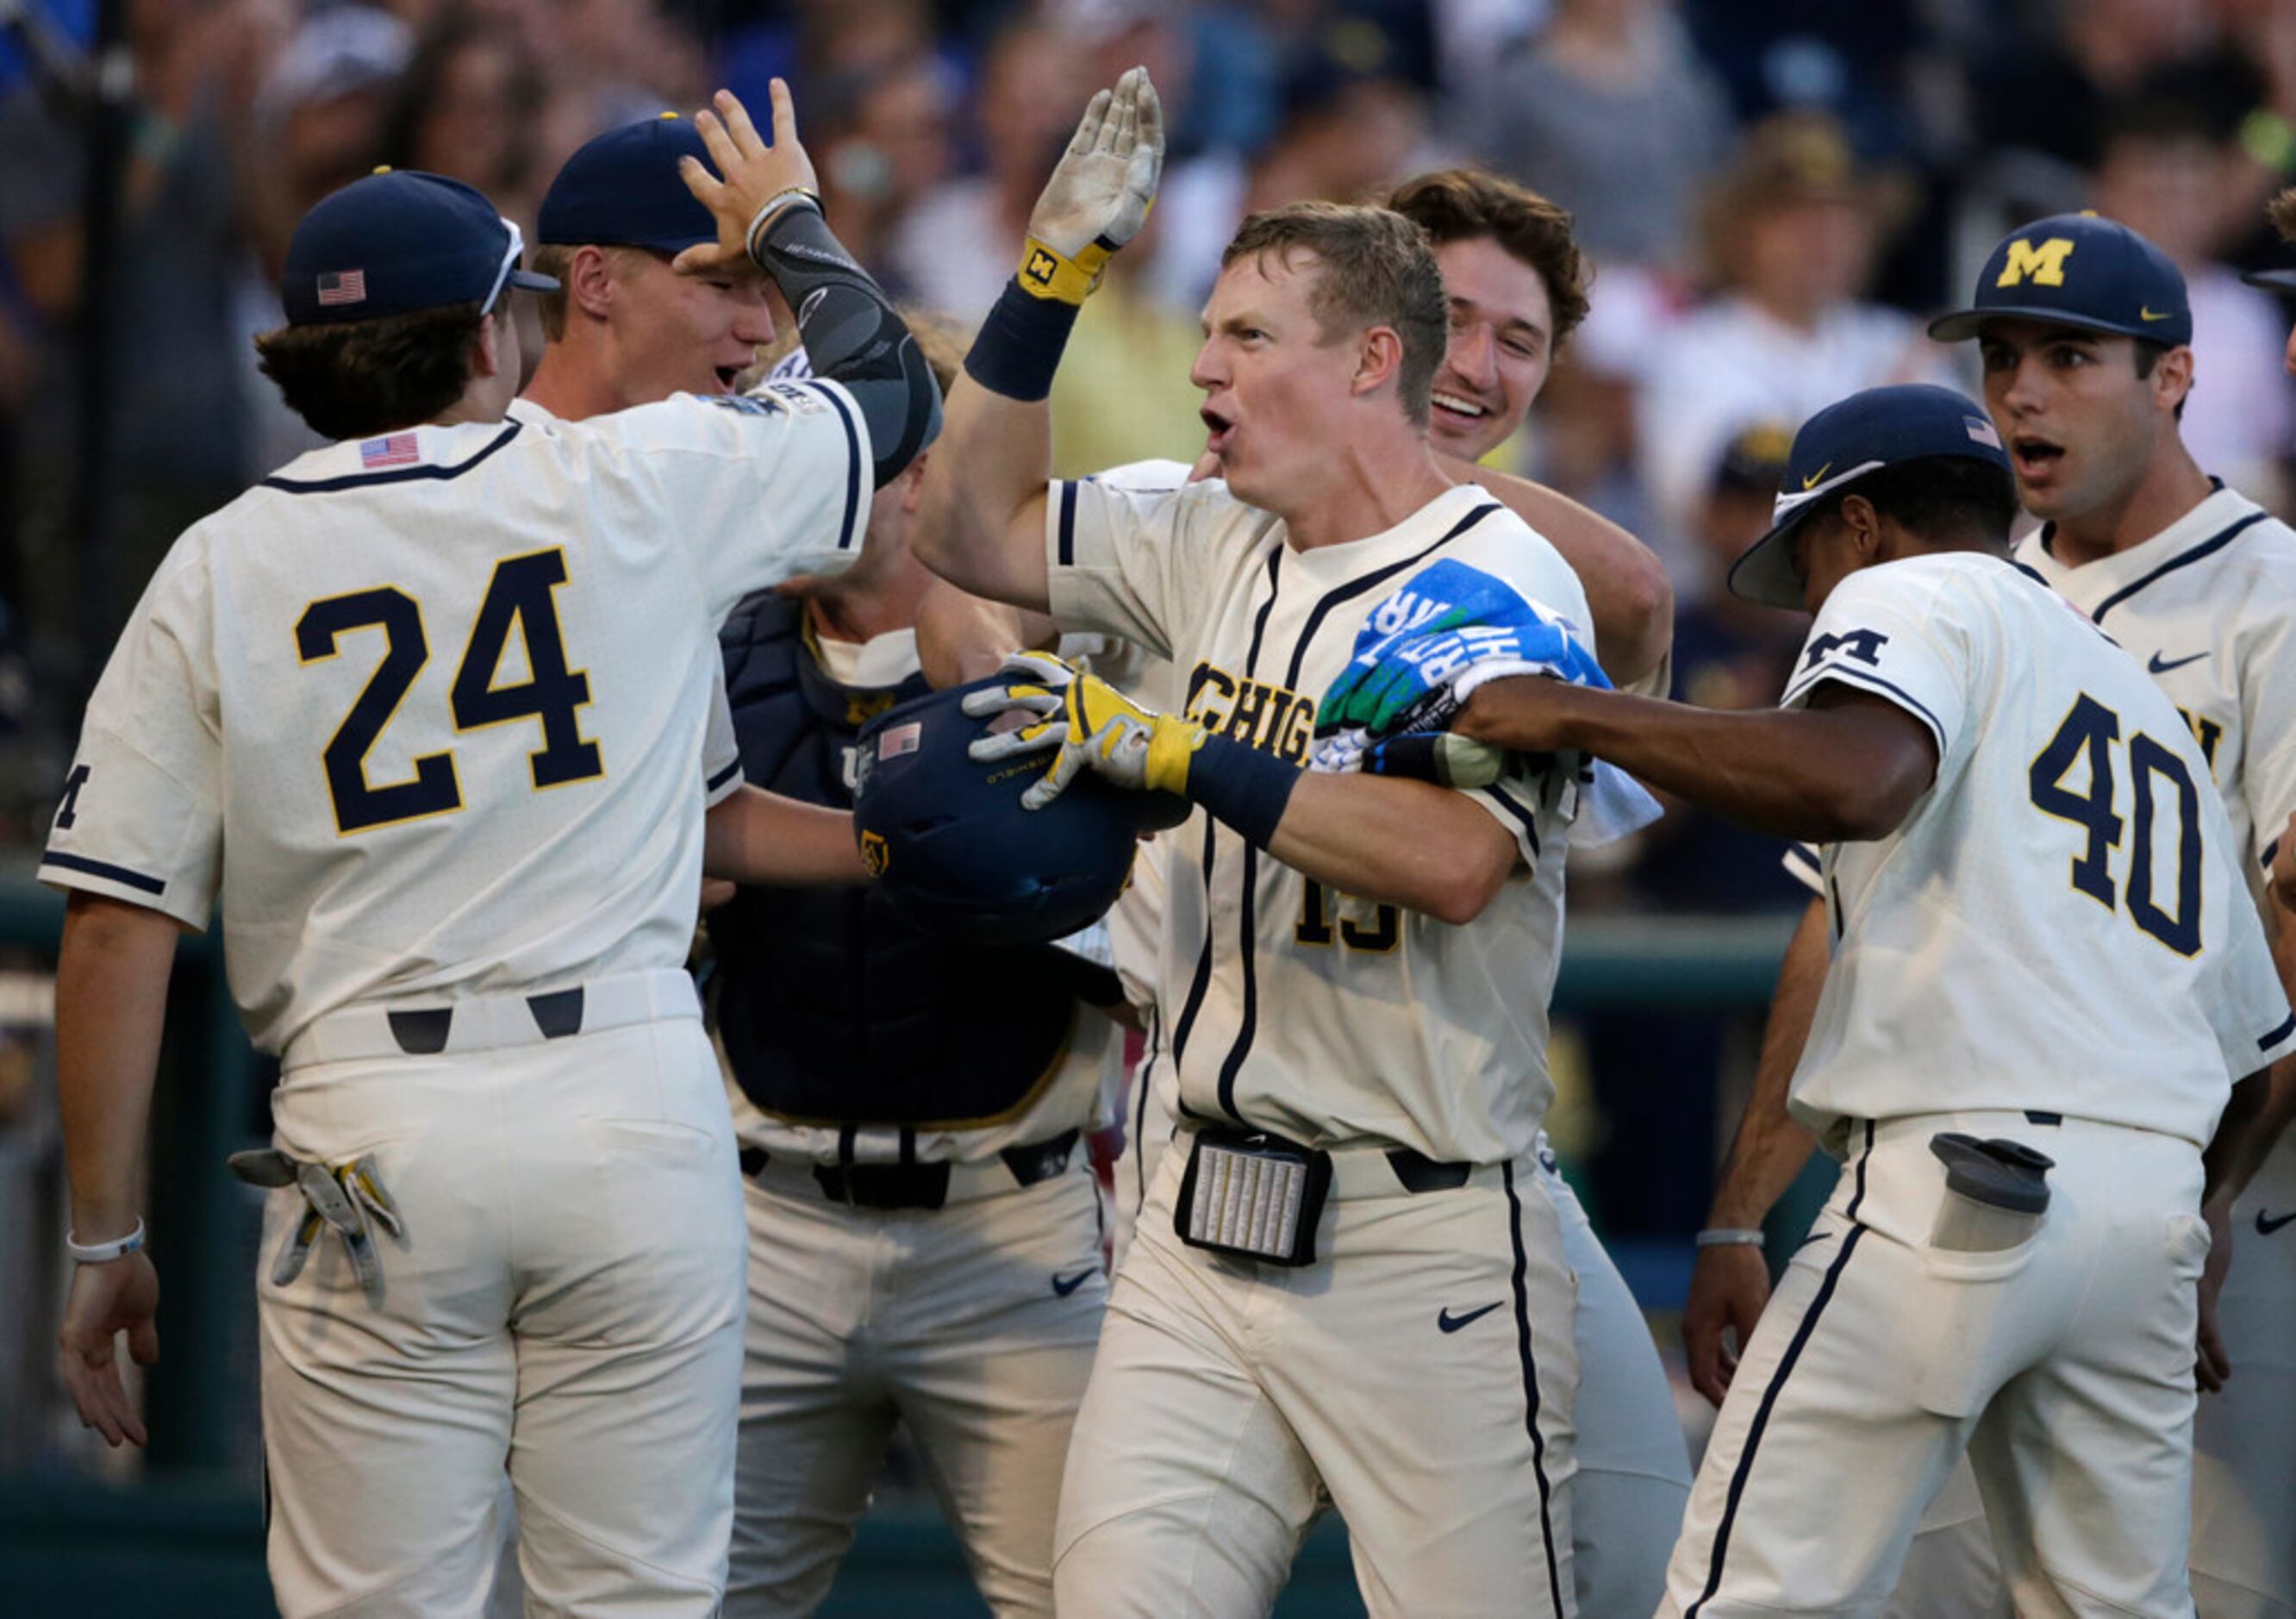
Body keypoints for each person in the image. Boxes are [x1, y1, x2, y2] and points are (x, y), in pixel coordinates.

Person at [44, 83, 939, 1616]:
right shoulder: (630, 483)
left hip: (372, 1126)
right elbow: (890, 392)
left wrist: (106, 1231)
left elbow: (119, 929)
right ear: (489, 334)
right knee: (639, 1597)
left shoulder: (218, 561)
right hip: (627, 1107)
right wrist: (790, 220)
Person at [918, 69, 1652, 1616]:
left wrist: (1190, 753)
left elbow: (1456, 859)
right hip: (1187, 1225)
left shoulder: (1490, 590)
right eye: (1207, 333)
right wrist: (1051, 278)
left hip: (1422, 1237)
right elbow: (966, 532)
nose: (1205, 370)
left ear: (1373, 358)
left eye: (1249, 337)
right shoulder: (1203, 529)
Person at [1444, 382, 2294, 1616]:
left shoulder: (1915, 589)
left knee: (1755, 1591)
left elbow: (1858, 777)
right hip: (2152, 1213)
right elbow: (2259, 1056)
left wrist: (1577, 710)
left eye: (1810, 564)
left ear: (1860, 525)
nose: (1816, 607)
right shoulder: (2142, 708)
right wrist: (2184, 1205)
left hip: (1968, 1181)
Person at [1691, 212, 2296, 1617]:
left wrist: (2190, 1202)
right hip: (2019, 1196)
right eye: (2004, 355)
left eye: (2073, 355)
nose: (2025, 388)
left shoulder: (2271, 591)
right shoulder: (1970, 594)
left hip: (2233, 1215)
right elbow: (1839, 918)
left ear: (2176, 377)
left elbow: (2290, 939)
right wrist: (1738, 1213)